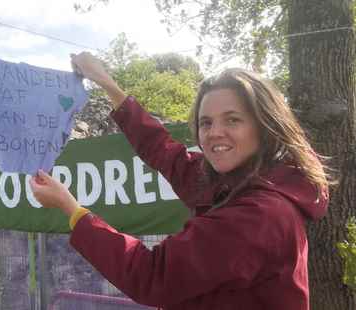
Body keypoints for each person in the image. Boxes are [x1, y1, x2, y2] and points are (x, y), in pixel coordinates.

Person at [29, 52, 331, 310]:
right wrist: (108, 83)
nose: (215, 133)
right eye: (206, 122)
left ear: (265, 127)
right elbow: (165, 152)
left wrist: (71, 209)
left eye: (233, 120)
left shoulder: (259, 214)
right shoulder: (239, 181)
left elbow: (151, 275)